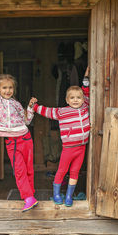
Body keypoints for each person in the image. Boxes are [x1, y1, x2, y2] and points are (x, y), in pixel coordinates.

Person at [31, 66, 90, 207]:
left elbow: (86, 90)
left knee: (75, 172)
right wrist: (34, 106)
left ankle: (69, 196)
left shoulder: (85, 107)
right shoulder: (62, 112)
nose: (76, 100)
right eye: (72, 98)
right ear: (67, 100)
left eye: (79, 98)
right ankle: (56, 194)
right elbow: (47, 111)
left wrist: (86, 76)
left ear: (83, 99)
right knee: (62, 171)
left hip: (81, 148)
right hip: (68, 149)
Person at [0, 50, 38, 212]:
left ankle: (31, 197)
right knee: (19, 171)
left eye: (10, 88)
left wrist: (30, 107)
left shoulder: (17, 104)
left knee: (28, 169)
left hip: (25, 137)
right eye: (4, 88)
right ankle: (28, 197)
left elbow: (27, 120)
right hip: (12, 142)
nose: (8, 90)